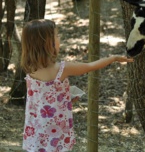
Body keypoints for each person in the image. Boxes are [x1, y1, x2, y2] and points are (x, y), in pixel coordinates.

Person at [21, 19, 134, 152]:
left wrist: (65, 98)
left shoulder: (30, 69)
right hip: (56, 131)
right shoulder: (62, 69)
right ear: (47, 43)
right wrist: (113, 58)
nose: (59, 38)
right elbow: (90, 66)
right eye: (56, 35)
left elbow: (42, 98)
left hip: (37, 130)